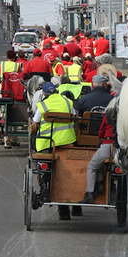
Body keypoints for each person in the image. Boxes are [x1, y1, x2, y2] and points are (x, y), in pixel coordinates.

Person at [30, 81, 77, 220]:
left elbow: (35, 124)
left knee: (46, 168)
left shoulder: (43, 105)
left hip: (47, 145)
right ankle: (71, 208)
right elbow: (75, 118)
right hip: (67, 143)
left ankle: (45, 184)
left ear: (44, 94)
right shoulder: (68, 102)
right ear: (56, 91)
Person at [79, 113, 114, 204]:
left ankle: (90, 193)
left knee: (92, 166)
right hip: (121, 147)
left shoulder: (108, 115)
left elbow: (101, 132)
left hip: (108, 144)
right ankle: (99, 183)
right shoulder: (126, 114)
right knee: (99, 163)